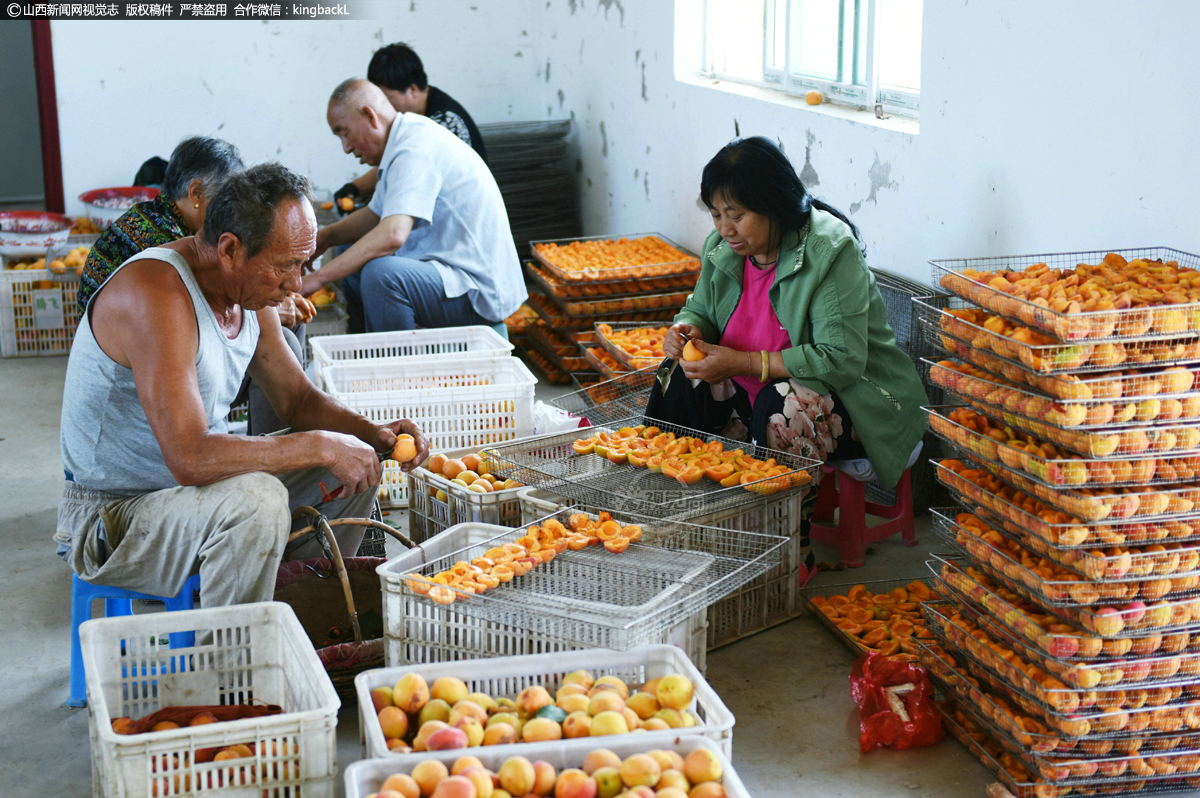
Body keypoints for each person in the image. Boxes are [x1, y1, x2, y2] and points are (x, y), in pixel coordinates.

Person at [56, 163, 429, 609]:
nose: (296, 285)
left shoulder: (247, 291)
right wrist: (319, 446)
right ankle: (239, 662)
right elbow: (190, 457)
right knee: (258, 499)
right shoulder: (156, 293)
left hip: (191, 499)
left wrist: (372, 433)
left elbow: (298, 399)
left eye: (303, 265)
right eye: (285, 267)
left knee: (355, 460)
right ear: (230, 249)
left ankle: (308, 611)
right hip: (114, 518)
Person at [646, 136, 927, 580]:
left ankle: (787, 554)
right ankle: (679, 520)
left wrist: (741, 363)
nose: (725, 228)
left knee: (785, 407)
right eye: (717, 215)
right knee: (678, 375)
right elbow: (699, 307)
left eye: (736, 215)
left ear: (773, 205)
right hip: (756, 390)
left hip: (859, 403)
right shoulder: (723, 249)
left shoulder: (830, 252)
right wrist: (686, 331)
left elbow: (840, 359)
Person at [79, 136, 312, 435]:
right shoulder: (162, 253)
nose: (237, 212)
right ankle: (268, 469)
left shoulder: (161, 221)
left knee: (283, 331)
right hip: (132, 380)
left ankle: (265, 454)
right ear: (197, 193)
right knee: (283, 340)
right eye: (229, 199)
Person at [302, 79, 523, 334]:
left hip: (476, 290)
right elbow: (375, 216)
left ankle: (396, 369)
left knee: (382, 276)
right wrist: (326, 238)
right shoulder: (403, 141)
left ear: (370, 116)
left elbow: (393, 235)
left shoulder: (414, 148)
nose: (346, 147)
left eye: (344, 133)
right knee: (348, 248)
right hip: (452, 274)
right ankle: (366, 348)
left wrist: (317, 278)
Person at [334, 42, 488, 212]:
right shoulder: (416, 120)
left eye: (386, 98)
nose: (380, 107)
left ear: (413, 90)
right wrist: (354, 188)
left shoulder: (442, 123)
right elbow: (398, 164)